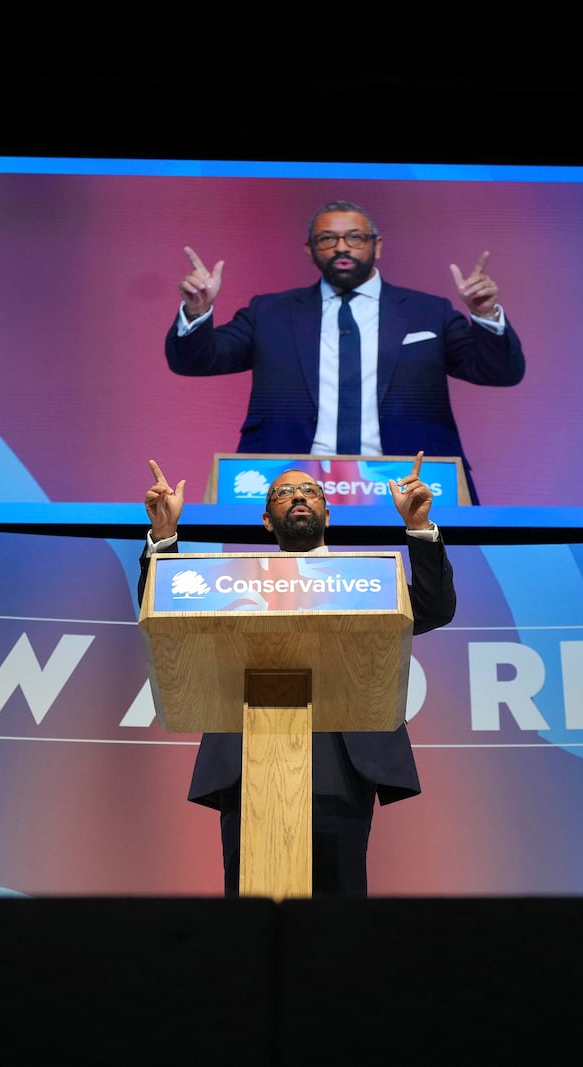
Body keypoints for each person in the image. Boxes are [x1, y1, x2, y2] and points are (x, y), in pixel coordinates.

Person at [138, 452, 457, 896]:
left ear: (328, 512)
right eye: (283, 494)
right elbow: (166, 612)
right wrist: (164, 536)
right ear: (268, 520)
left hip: (342, 751)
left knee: (337, 907)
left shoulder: (362, 581)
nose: (298, 497)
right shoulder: (232, 582)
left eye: (310, 491)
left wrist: (419, 529)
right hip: (248, 748)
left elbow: (434, 608)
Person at [165, 200, 525, 504]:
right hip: (290, 488)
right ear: (310, 249)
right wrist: (196, 312)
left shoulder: (428, 312)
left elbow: (499, 371)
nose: (342, 247)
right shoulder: (269, 312)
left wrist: (484, 315)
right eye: (327, 239)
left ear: (377, 245)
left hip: (410, 484)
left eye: (354, 237)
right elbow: (198, 360)